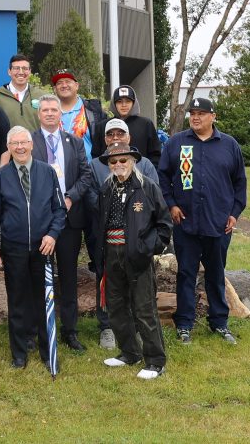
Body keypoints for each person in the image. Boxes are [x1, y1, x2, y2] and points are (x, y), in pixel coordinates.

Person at [158, 97, 248, 345]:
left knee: (216, 274)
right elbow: (163, 176)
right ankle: (184, 324)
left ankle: (219, 322)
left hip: (219, 224)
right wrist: (171, 204)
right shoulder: (177, 143)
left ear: (213, 117)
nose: (196, 117)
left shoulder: (229, 145)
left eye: (201, 113)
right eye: (192, 113)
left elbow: (240, 182)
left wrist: (234, 213)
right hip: (186, 223)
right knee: (186, 274)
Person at [0, 127, 66, 370]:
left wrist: (52, 235)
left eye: (23, 142)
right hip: (14, 248)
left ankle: (47, 352)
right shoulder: (0, 176)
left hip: (43, 247)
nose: (20, 147)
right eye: (14, 143)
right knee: (17, 302)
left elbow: (59, 210)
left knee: (44, 301)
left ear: (31, 145)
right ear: (8, 147)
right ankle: (19, 354)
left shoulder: (47, 172)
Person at [97, 140, 172, 379]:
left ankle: (155, 361)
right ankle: (129, 353)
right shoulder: (106, 189)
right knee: (116, 306)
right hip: (112, 253)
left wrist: (147, 248)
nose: (118, 164)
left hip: (137, 256)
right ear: (109, 165)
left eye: (123, 160)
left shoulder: (147, 187)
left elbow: (164, 224)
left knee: (144, 308)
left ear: (132, 161)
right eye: (113, 161)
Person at [30, 94, 94, 352]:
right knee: (38, 276)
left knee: (68, 276)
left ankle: (70, 331)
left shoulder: (74, 142)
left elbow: (86, 175)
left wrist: (70, 198)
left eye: (53, 110)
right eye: (44, 110)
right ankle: (39, 330)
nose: (49, 113)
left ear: (60, 114)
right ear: (39, 114)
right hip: (39, 220)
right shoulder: (29, 141)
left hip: (69, 218)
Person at [87, 118, 158, 350]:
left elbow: (159, 213)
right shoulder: (99, 174)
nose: (118, 163)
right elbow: (94, 202)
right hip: (109, 245)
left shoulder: (145, 170)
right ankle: (119, 340)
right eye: (111, 134)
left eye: (120, 133)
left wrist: (149, 245)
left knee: (142, 298)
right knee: (113, 296)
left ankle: (148, 346)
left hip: (137, 247)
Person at [50, 69, 107, 159]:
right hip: (57, 166)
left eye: (68, 81)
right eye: (59, 83)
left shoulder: (92, 110)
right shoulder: (49, 112)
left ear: (76, 86)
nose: (64, 85)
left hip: (89, 166)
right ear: (54, 89)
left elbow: (104, 141)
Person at [103, 85, 162, 164]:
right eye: (119, 101)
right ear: (114, 103)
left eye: (128, 101)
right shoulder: (103, 126)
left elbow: (155, 154)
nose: (124, 105)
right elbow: (97, 155)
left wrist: (147, 170)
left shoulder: (146, 124)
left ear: (134, 103)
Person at [0, 53, 41, 137]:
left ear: (30, 72)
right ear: (9, 72)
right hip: (6, 145)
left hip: (36, 145)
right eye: (16, 68)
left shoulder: (41, 96)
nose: (21, 72)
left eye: (25, 68)